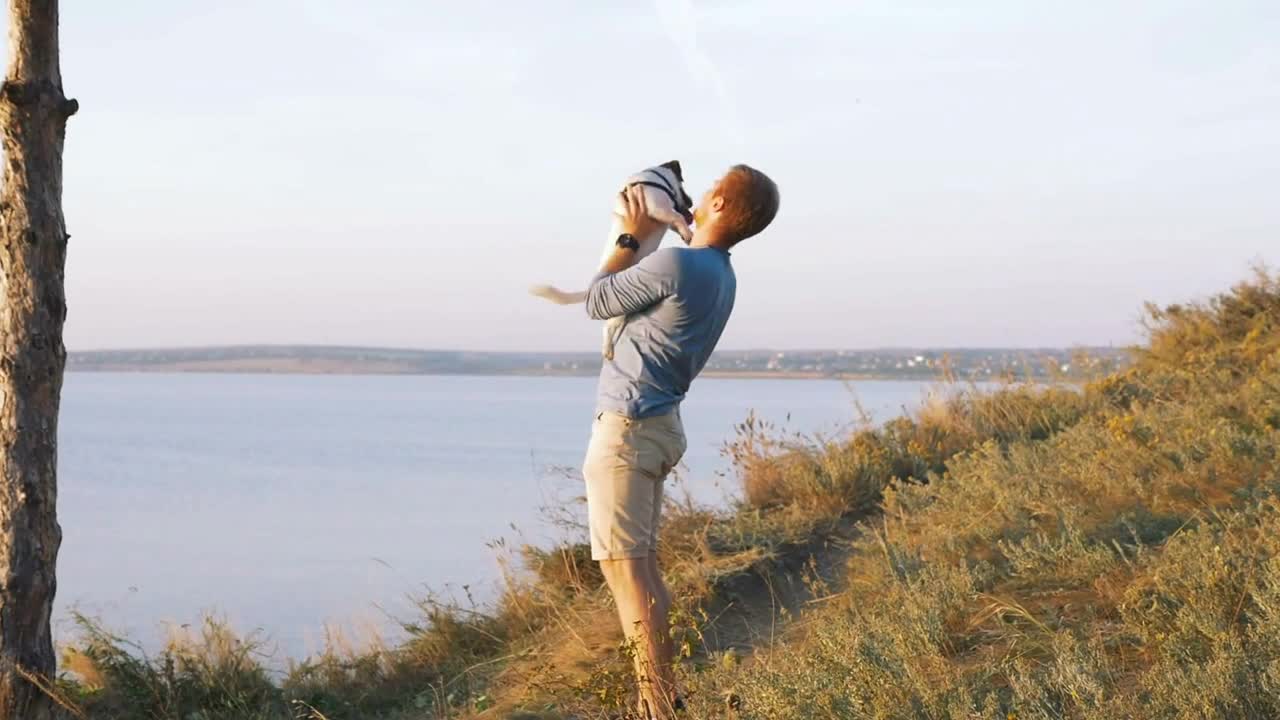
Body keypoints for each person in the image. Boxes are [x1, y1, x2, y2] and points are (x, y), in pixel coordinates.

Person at [581, 164, 779, 718]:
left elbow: (597, 300)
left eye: (713, 187)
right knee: (637, 566)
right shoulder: (718, 271)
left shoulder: (679, 263)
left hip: (629, 429)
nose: (702, 193)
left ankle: (657, 704)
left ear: (718, 205)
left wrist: (628, 234)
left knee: (629, 569)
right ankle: (659, 698)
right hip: (656, 424)